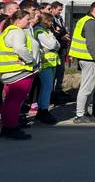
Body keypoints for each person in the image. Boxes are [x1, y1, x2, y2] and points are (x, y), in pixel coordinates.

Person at [0, 11, 38, 140]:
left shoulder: (8, 31)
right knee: (15, 102)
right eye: (27, 19)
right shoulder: (17, 32)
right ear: (18, 20)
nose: (29, 21)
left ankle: (7, 126)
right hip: (19, 73)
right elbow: (20, 48)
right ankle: (12, 128)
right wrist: (30, 61)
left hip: (10, 72)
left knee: (10, 101)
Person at [69, 2, 95, 123]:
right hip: (89, 59)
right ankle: (80, 115)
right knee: (86, 88)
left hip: (87, 58)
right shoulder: (90, 22)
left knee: (89, 87)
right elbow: (90, 43)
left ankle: (84, 113)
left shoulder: (86, 20)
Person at [32, 12, 60, 124]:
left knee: (47, 88)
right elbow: (53, 45)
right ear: (45, 20)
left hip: (51, 62)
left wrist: (54, 44)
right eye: (50, 21)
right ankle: (43, 111)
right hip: (45, 63)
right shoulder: (39, 31)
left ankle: (42, 110)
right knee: (47, 88)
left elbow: (57, 45)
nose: (51, 23)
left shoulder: (47, 31)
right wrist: (54, 44)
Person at [49, 1, 71, 103]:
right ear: (52, 9)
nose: (60, 12)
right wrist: (62, 34)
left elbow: (62, 30)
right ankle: (52, 94)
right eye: (59, 10)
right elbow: (55, 32)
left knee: (61, 71)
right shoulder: (50, 19)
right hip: (54, 49)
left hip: (62, 48)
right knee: (55, 72)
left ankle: (58, 90)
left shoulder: (60, 19)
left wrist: (63, 33)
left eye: (61, 10)